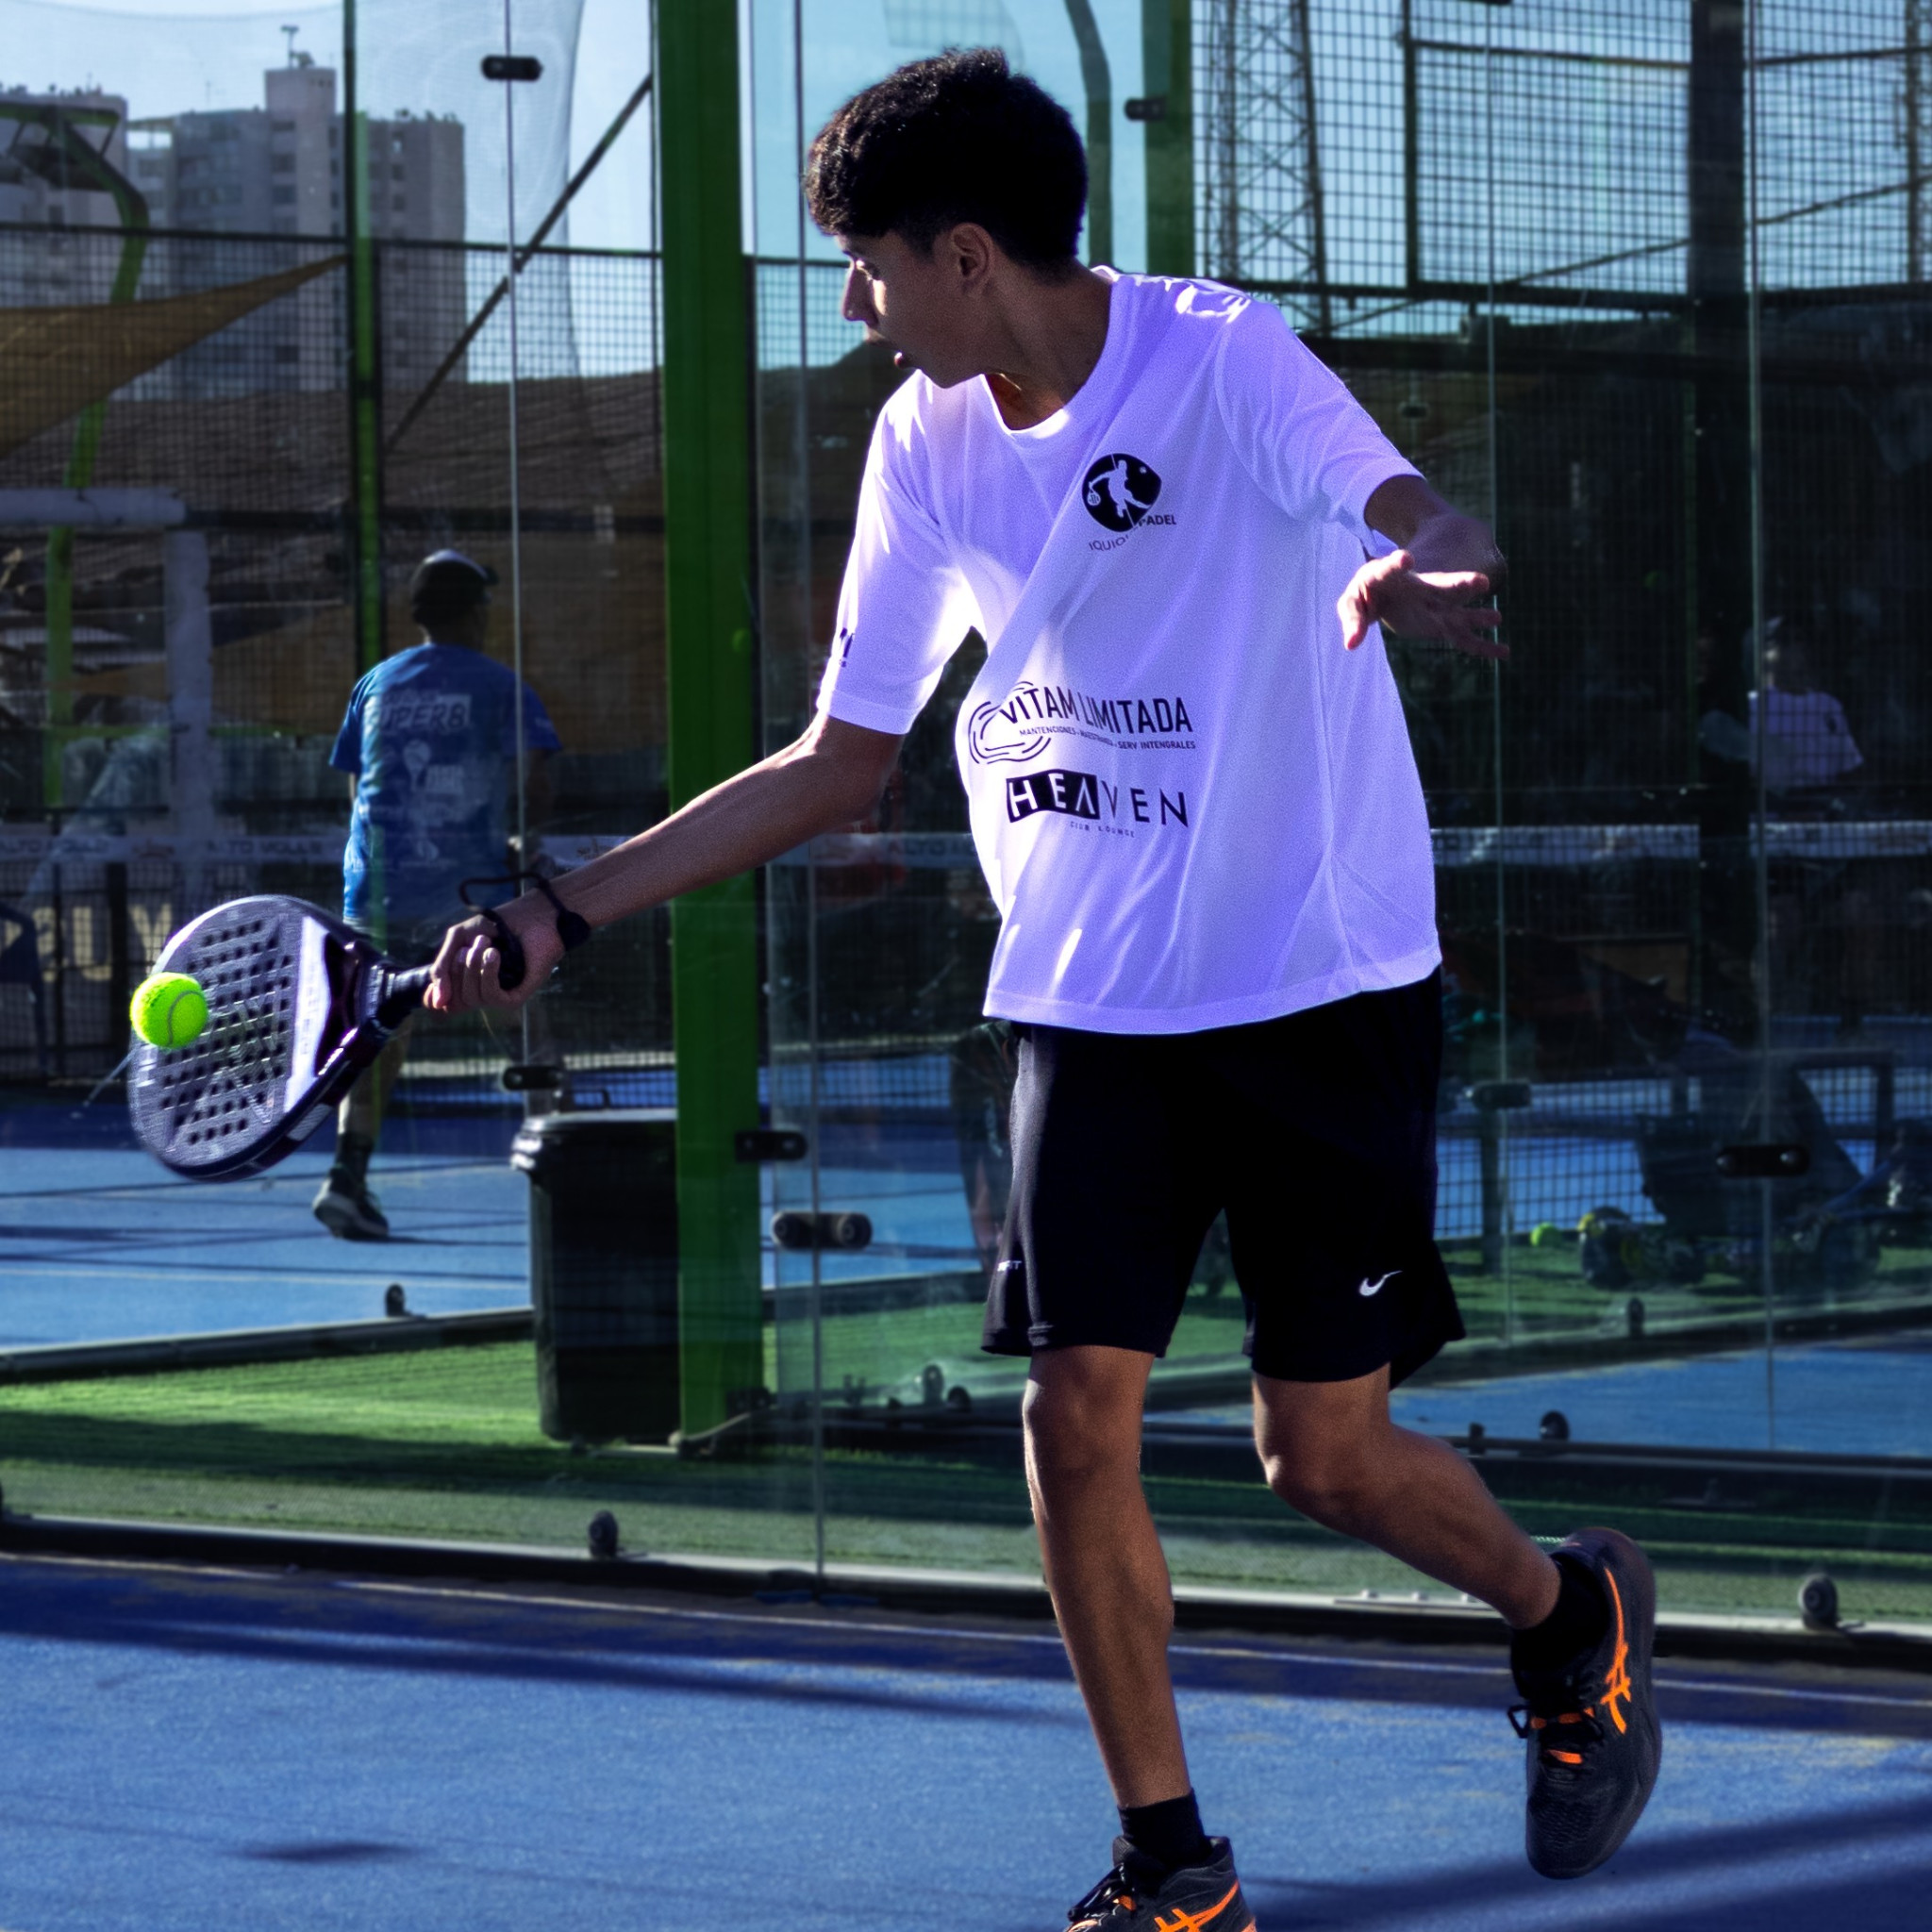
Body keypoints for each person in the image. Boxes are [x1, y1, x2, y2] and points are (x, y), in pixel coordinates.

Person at [425, 51, 1659, 1923]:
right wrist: (563, 913)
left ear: (967, 255)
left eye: (866, 267)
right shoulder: (922, 446)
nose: (855, 306)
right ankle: (1172, 1867)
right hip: (1086, 1000)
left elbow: (1414, 505)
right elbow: (840, 757)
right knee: (1069, 1413)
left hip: (1315, 984)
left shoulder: (1224, 358)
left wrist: (1427, 564)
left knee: (1318, 1454)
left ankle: (1567, 1616)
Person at [313, 549, 560, 1240]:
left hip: (376, 894)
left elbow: (358, 787)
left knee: (378, 1038)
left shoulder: (376, 684)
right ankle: (568, 1170)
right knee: (527, 1030)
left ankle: (347, 1176)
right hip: (466, 898)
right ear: (477, 613)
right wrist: (522, 840)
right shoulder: (500, 685)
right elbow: (534, 782)